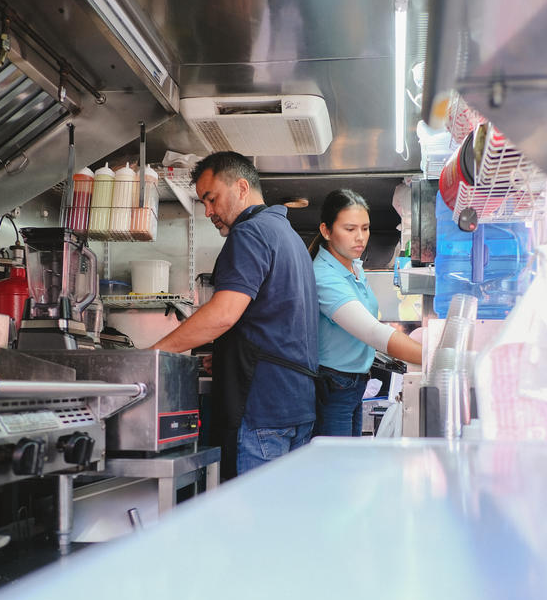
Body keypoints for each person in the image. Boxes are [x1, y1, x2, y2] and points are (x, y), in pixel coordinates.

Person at [150, 152, 318, 478]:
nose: (208, 211)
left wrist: (155, 356)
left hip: (261, 412)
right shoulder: (290, 237)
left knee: (252, 523)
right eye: (203, 203)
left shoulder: (249, 233)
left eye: (211, 199)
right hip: (296, 406)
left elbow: (223, 315)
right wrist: (228, 355)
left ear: (242, 188)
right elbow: (274, 321)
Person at [309, 189, 422, 437]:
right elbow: (373, 332)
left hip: (352, 385)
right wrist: (432, 356)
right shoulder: (324, 276)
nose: (360, 237)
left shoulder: (354, 267)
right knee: (335, 470)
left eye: (365, 228)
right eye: (349, 229)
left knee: (346, 467)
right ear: (326, 231)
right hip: (333, 387)